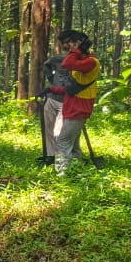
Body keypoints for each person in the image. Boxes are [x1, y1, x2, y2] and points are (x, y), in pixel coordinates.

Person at [54, 29, 99, 175]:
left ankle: (62, 173)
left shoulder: (91, 62)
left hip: (79, 108)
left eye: (70, 43)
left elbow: (67, 63)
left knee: (63, 141)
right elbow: (74, 86)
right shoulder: (83, 60)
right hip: (74, 106)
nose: (67, 47)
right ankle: (76, 169)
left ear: (78, 45)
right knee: (73, 144)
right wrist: (52, 90)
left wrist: (76, 51)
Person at [39, 49, 66, 164]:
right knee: (48, 128)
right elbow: (46, 65)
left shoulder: (80, 63)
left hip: (66, 102)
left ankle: (61, 157)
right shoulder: (58, 59)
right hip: (51, 98)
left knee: (59, 131)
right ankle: (50, 156)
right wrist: (51, 77)